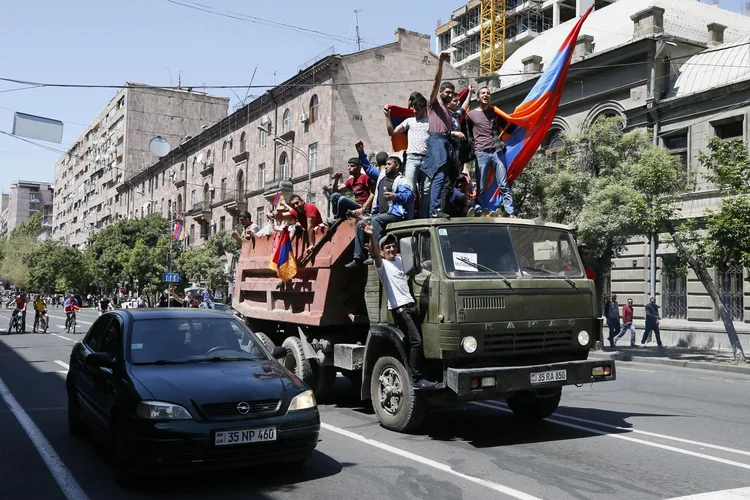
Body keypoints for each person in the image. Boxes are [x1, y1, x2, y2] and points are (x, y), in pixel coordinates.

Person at [363, 223, 437, 390]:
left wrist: (433, 274)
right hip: (400, 308)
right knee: (415, 341)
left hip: (411, 305)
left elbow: (419, 268)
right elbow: (375, 253)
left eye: (393, 246)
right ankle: (415, 380)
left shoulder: (400, 260)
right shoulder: (382, 265)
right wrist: (372, 235)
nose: (390, 249)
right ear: (382, 251)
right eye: (387, 247)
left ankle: (422, 375)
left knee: (417, 342)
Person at [346, 149, 414, 268]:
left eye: (389, 164)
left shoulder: (401, 180)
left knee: (376, 221)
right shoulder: (382, 176)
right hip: (381, 213)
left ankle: (376, 253)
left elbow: (409, 196)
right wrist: (361, 152)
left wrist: (395, 196)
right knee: (361, 223)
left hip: (397, 215)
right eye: (386, 164)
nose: (386, 167)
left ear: (397, 166)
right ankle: (358, 257)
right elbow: (367, 167)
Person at [466, 86, 515, 217]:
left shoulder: (494, 112)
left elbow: (509, 126)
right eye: (483, 93)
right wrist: (473, 151)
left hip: (497, 151)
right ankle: (481, 211)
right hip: (481, 153)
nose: (486, 95)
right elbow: (469, 136)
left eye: (488, 93)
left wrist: (520, 119)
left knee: (504, 184)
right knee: (481, 186)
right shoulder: (470, 115)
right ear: (478, 97)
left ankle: (511, 213)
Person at [421, 50, 458, 219]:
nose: (449, 95)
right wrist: (441, 62)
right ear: (441, 92)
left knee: (446, 178)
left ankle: (438, 208)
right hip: (436, 141)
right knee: (439, 174)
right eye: (447, 92)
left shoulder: (448, 112)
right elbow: (436, 82)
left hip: (445, 142)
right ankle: (434, 210)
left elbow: (462, 108)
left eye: (452, 93)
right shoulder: (434, 104)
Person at [385, 95, 429, 214]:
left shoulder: (431, 122)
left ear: (425, 108)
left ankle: (423, 219)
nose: (414, 111)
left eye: (417, 109)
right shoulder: (409, 121)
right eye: (413, 109)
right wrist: (387, 117)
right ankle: (408, 218)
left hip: (427, 160)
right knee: (409, 190)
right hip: (412, 159)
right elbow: (392, 132)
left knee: (426, 191)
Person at [285, 194, 323, 259]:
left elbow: (310, 227)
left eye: (297, 203)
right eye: (293, 205)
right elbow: (282, 216)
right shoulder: (295, 211)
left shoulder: (310, 207)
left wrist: (311, 245)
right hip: (307, 232)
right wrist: (274, 214)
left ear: (302, 201)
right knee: (295, 227)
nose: (296, 206)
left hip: (318, 233)